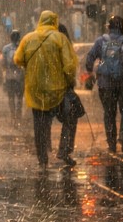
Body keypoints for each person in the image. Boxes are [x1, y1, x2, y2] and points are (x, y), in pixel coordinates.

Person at [13, 10, 79, 168]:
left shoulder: (28, 39)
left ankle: (42, 159)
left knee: (40, 126)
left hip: (35, 91)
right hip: (58, 91)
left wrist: (31, 67)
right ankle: (64, 150)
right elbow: (69, 65)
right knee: (70, 118)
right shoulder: (60, 39)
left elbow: (17, 59)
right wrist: (70, 82)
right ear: (54, 22)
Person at [84, 15, 123, 155]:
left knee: (109, 113)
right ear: (122, 27)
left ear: (109, 27)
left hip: (106, 84)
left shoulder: (101, 41)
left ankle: (111, 143)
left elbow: (90, 57)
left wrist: (90, 71)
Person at [0, 30, 25, 120]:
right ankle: (18, 114)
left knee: (11, 97)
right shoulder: (22, 47)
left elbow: (2, 62)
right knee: (19, 97)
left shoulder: (6, 49)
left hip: (9, 76)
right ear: (19, 38)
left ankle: (12, 114)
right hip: (20, 77)